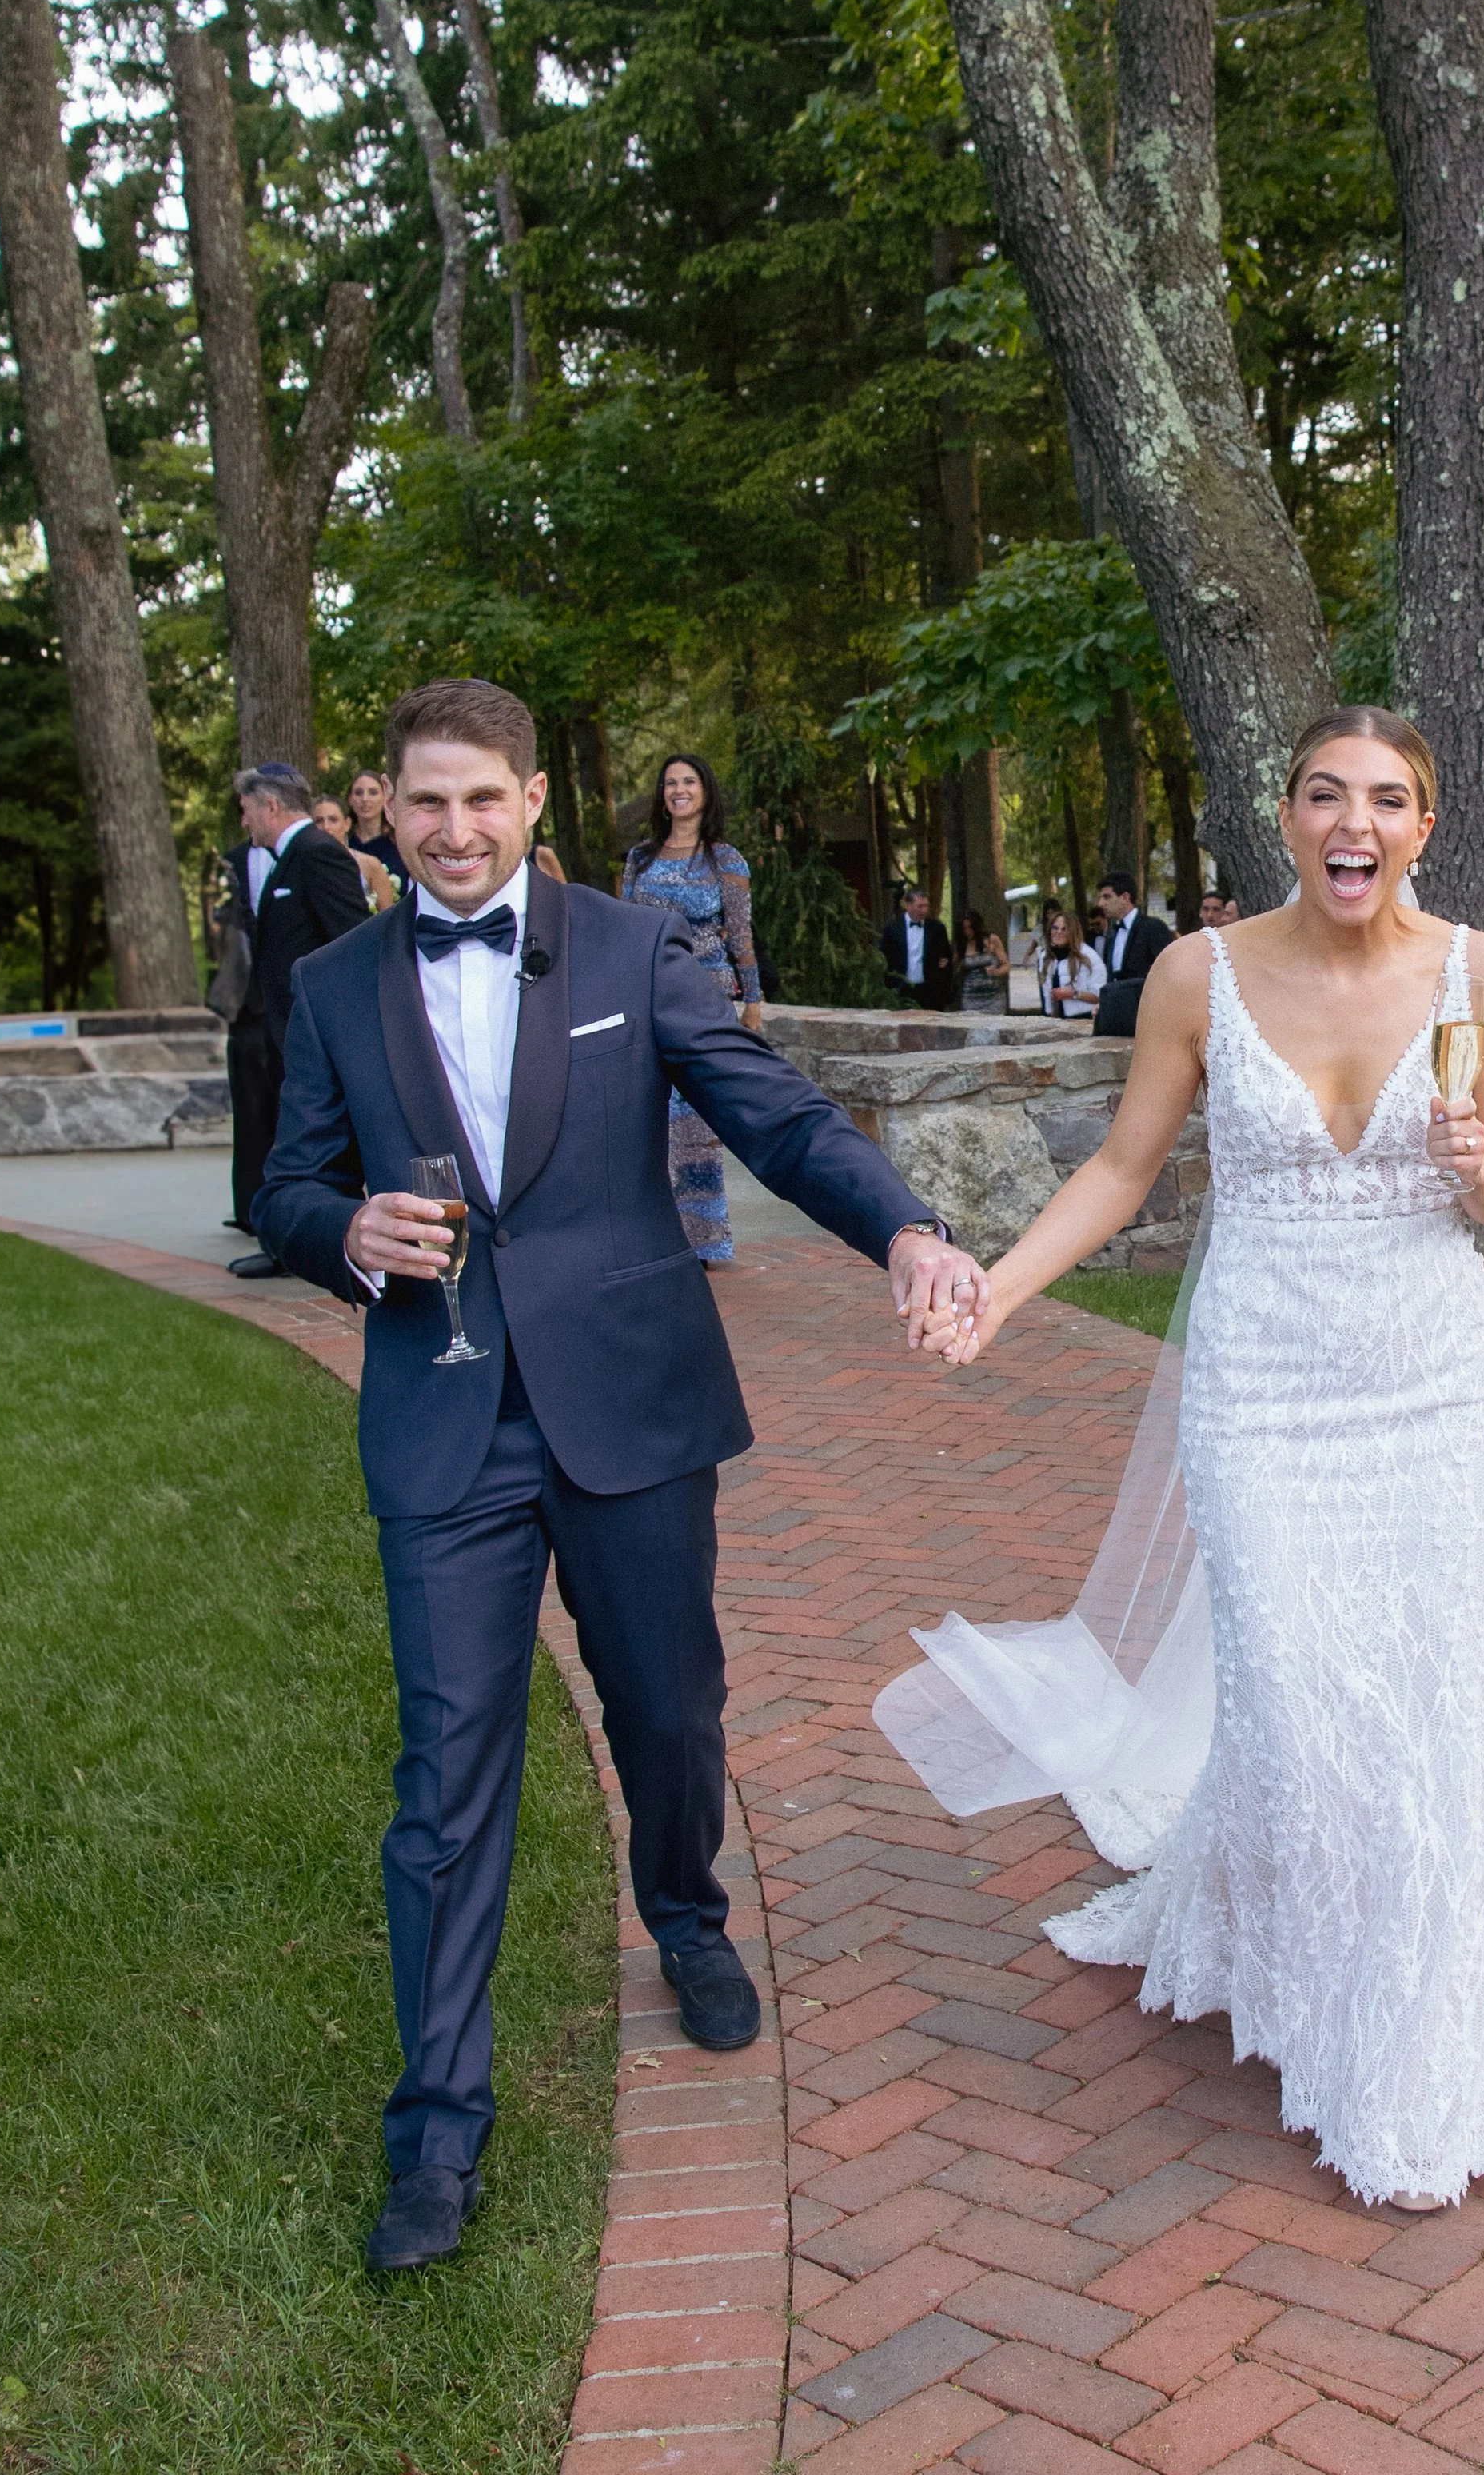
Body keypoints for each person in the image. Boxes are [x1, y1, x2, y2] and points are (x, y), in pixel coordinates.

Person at [253, 678, 985, 2276]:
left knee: (667, 1708)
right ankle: (437, 2130)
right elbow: (287, 1179)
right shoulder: (332, 985)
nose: (454, 831)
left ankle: (686, 1915)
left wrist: (907, 1227)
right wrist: (340, 1234)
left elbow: (771, 1112)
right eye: (425, 802)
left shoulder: (633, 946)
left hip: (631, 1406)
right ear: (385, 806)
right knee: (444, 1776)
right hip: (443, 1415)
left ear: (530, 802)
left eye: (483, 800)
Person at [885, 705, 1484, 2213]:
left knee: (1438, 1690)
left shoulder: (1482, 974)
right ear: (1284, 818)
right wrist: (997, 1295)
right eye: (1327, 794)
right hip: (1265, 1389)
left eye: (1389, 800)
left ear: (1425, 826)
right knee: (1295, 1695)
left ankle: (1414, 2028)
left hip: (1433, 1386)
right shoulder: (1199, 975)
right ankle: (1325, 2011)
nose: (1357, 822)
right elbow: (1125, 1166)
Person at [221, 762, 372, 1276]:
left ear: (270, 805)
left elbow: (351, 939)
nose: (245, 823)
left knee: (313, 1146)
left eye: (247, 810)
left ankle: (304, 1246)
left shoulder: (317, 853)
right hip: (282, 1027)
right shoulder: (285, 859)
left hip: (312, 1031)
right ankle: (283, 1243)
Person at [620, 754, 760, 1267]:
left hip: (707, 1001)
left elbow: (741, 937)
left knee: (697, 1124)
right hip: (648, 998)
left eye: (689, 781)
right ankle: (656, 1235)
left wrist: (754, 1003)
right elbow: (626, 933)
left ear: (705, 791)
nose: (679, 790)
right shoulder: (640, 858)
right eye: (670, 783)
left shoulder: (726, 860)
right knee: (649, 1120)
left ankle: (704, 1241)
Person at [1092, 872, 1173, 1039]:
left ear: (1125, 897)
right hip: (1117, 1018)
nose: (1101, 903)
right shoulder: (1112, 933)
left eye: (1107, 897)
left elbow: (1168, 973)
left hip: (1147, 1019)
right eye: (1101, 898)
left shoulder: (1153, 927)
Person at [313, 795, 398, 914]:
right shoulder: (305, 865)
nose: (326, 827)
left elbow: (388, 916)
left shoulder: (370, 865)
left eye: (333, 820)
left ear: (347, 824)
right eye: (319, 821)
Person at [880, 885, 955, 1010]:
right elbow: (884, 957)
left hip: (929, 990)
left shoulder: (937, 928)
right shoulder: (892, 928)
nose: (924, 910)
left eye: (926, 906)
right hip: (901, 989)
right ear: (908, 906)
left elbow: (946, 959)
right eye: (919, 906)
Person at [1039, 903, 1104, 1020]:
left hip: (1084, 1020)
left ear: (1073, 932)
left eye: (1064, 929)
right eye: (1055, 928)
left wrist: (1073, 994)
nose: (1059, 932)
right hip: (1054, 1022)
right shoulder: (1045, 957)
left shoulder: (1088, 956)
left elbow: (1101, 995)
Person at [346, 768, 409, 888]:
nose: (365, 799)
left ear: (386, 798)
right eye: (359, 793)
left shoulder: (400, 841)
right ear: (350, 799)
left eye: (373, 793)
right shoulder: (344, 842)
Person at [956, 908, 1009, 1013]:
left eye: (971, 928)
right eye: (964, 928)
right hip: (971, 998)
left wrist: (997, 972)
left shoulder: (992, 940)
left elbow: (1006, 965)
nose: (968, 932)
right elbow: (956, 968)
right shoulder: (962, 944)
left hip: (994, 998)